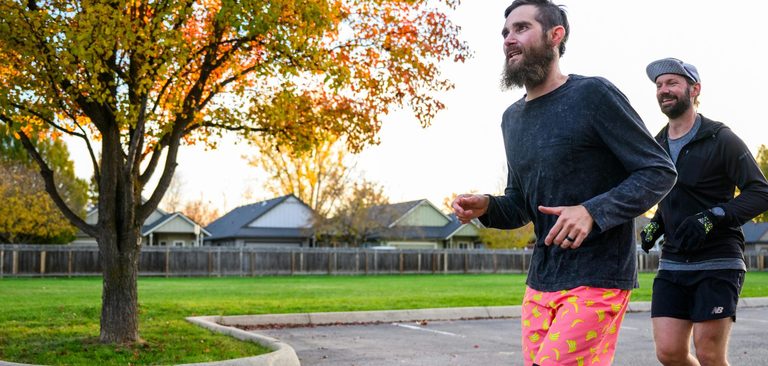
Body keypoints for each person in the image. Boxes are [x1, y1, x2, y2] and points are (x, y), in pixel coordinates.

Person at [451, 1, 677, 365]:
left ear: (556, 35)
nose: (509, 38)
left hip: (598, 276)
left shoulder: (594, 96)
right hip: (541, 280)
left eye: (521, 28)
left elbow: (659, 171)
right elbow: (522, 204)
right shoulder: (512, 118)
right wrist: (489, 206)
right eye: (505, 32)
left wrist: (592, 211)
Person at [641, 57, 768, 366]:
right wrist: (657, 223)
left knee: (709, 353)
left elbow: (760, 192)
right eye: (659, 86)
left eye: (672, 83)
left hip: (718, 259)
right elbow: (675, 196)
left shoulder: (720, 138)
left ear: (694, 89)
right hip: (673, 261)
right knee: (669, 352)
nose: (664, 90)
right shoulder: (655, 144)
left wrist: (716, 216)